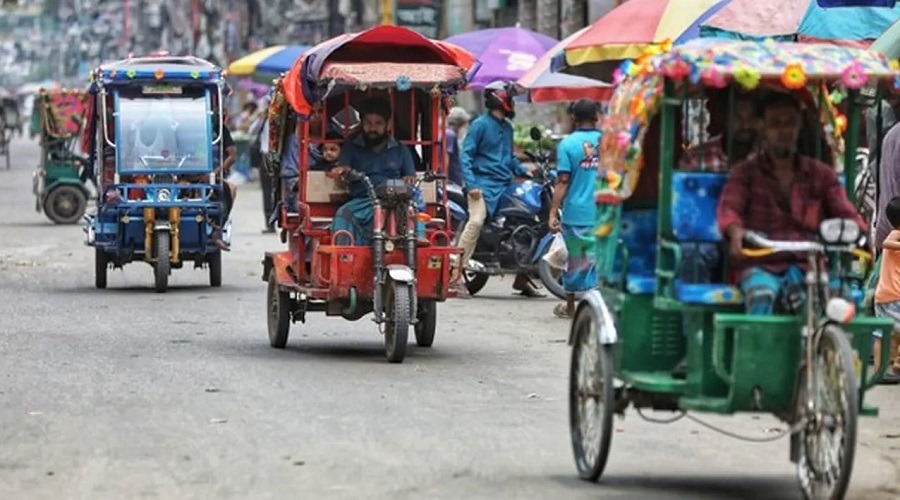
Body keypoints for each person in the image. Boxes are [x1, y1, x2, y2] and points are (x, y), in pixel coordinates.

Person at [717, 92, 866, 314]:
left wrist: (861, 234)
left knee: (842, 297)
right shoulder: (746, 173)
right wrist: (735, 231)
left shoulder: (821, 174)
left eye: (790, 123)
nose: (783, 131)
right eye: (775, 124)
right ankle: (758, 350)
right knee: (761, 296)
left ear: (799, 126)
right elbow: (730, 207)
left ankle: (836, 347)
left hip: (809, 263)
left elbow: (845, 211)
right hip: (763, 264)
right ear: (762, 128)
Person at [452, 81, 542, 298]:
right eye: (510, 98)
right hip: (482, 186)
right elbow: (466, 155)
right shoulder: (480, 125)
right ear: (500, 98)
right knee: (475, 221)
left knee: (528, 220)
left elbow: (509, 158)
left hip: (505, 184)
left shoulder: (508, 128)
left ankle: (521, 279)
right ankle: (454, 277)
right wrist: (472, 185)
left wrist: (525, 171)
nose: (512, 102)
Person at [679, 93, 759, 285]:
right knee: (693, 254)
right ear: (725, 119)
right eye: (739, 118)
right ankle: (695, 315)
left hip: (753, 235)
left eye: (751, 118)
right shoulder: (697, 156)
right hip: (705, 237)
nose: (745, 125)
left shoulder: (769, 157)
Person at [328, 97, 422, 246]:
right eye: (368, 123)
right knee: (343, 214)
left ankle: (418, 244)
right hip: (362, 202)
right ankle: (344, 259)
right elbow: (343, 170)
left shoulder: (401, 150)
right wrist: (341, 172)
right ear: (362, 123)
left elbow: (410, 177)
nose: (372, 129)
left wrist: (407, 183)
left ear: (389, 124)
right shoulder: (350, 147)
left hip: (395, 200)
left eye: (378, 123)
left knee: (414, 209)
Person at [548, 99, 601, 318]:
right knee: (601, 260)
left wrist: (552, 212)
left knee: (576, 261)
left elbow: (562, 181)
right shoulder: (608, 142)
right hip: (605, 212)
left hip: (576, 213)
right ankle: (601, 307)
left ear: (573, 118)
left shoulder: (568, 145)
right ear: (596, 117)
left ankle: (570, 307)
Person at [873, 196, 900, 384]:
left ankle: (880, 371)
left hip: (885, 294)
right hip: (893, 295)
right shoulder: (896, 233)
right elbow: (885, 243)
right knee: (884, 335)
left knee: (881, 335)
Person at [445, 107, 470, 186]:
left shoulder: (448, 134)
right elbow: (446, 158)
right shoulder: (450, 135)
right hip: (452, 181)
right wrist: (445, 179)